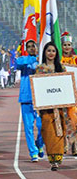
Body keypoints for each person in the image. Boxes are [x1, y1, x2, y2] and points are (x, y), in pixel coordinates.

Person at [36, 42, 66, 171]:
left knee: (59, 133)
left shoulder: (62, 68)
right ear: (44, 53)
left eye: (53, 51)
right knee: (48, 133)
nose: (51, 53)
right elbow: (37, 88)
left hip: (60, 108)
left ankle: (57, 161)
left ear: (56, 53)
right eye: (48, 51)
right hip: (46, 109)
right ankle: (51, 159)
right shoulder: (40, 69)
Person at [16, 40, 44, 162]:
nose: (32, 48)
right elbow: (17, 63)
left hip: (41, 98)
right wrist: (34, 59)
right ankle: (33, 152)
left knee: (42, 126)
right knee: (28, 127)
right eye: (29, 47)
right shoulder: (24, 60)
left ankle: (39, 143)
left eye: (34, 46)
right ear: (26, 49)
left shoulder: (43, 61)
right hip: (27, 97)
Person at [60, 32, 77, 155]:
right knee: (63, 120)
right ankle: (65, 143)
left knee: (74, 120)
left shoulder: (76, 58)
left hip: (74, 94)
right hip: (61, 94)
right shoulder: (58, 59)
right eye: (64, 44)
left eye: (68, 44)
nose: (66, 47)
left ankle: (75, 145)